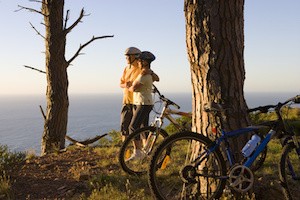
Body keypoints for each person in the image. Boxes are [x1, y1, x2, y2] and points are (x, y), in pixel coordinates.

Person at [127, 51, 158, 160]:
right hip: (144, 102)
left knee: (133, 127)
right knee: (143, 127)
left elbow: (134, 88)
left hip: (142, 103)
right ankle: (145, 151)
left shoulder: (143, 75)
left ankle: (138, 153)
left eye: (140, 60)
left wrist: (129, 86)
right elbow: (157, 78)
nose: (138, 62)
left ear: (144, 62)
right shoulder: (148, 73)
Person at [119, 47, 142, 142]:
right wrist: (125, 84)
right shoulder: (126, 68)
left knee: (137, 128)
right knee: (124, 127)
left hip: (137, 101)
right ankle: (125, 150)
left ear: (135, 56)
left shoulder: (141, 68)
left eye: (128, 56)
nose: (126, 58)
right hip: (127, 101)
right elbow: (121, 84)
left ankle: (139, 150)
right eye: (126, 56)